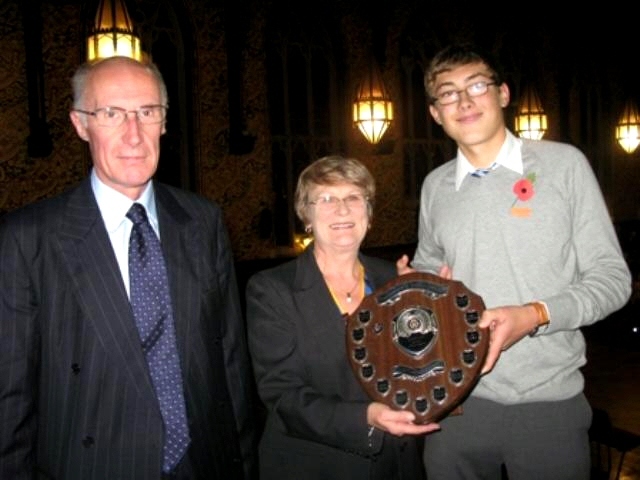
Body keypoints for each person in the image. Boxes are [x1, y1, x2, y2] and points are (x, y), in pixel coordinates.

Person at [0, 56, 257, 479]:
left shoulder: (202, 221)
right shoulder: (28, 238)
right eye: (111, 113)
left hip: (203, 464)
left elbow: (229, 365)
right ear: (81, 124)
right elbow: (10, 401)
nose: (133, 134)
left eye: (147, 112)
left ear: (165, 121)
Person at [400, 42, 633, 479]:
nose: (464, 101)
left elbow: (612, 279)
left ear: (503, 94)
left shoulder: (564, 166)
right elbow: (434, 272)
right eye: (448, 93)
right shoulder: (435, 187)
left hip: (547, 404)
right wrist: (416, 286)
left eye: (477, 85)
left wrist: (536, 315)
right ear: (435, 113)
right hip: (456, 403)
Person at [245, 155, 438, 480]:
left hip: (396, 463)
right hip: (314, 464)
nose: (342, 209)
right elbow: (282, 394)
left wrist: (426, 308)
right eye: (326, 198)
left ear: (369, 213)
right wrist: (366, 416)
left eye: (353, 198)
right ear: (306, 215)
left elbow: (421, 367)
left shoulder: (395, 279)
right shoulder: (272, 290)